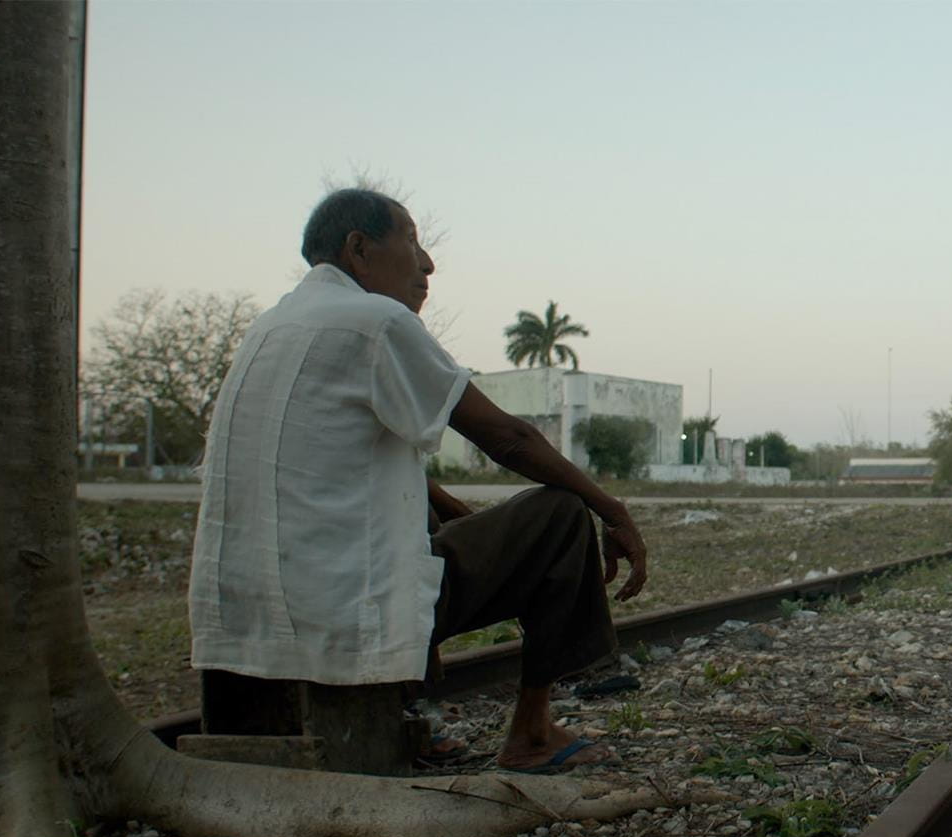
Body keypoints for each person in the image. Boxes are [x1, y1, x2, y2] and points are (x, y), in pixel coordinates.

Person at [188, 188, 648, 773]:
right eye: (411, 241)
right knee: (560, 516)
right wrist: (612, 510)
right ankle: (532, 733)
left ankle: (405, 718)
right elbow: (510, 439)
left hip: (244, 616)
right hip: (343, 609)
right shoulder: (375, 322)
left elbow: (340, 462)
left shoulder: (270, 328)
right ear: (359, 250)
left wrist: (462, 515)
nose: (427, 264)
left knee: (427, 519)